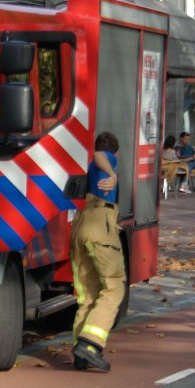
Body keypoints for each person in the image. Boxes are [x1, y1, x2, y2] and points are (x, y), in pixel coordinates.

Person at [70, 131, 124, 372]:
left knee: (89, 292)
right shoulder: (107, 159)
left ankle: (80, 356)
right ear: (117, 153)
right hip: (100, 225)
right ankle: (90, 345)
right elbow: (100, 154)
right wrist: (113, 174)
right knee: (114, 286)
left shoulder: (92, 168)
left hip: (82, 223)